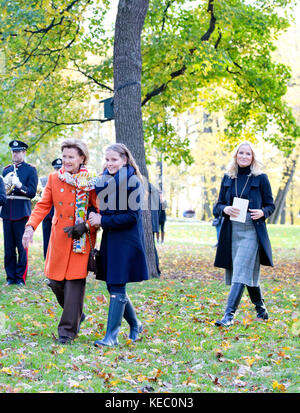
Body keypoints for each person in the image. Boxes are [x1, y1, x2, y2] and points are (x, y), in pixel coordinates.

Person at [22, 139, 98, 344]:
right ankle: (76, 315)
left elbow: (99, 210)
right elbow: (43, 205)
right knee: (55, 282)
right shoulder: (54, 178)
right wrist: (30, 227)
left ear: (82, 158)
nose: (66, 160)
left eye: (70, 157)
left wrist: (86, 226)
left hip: (80, 239)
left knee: (74, 284)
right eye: (64, 156)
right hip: (59, 238)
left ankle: (67, 332)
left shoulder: (91, 180)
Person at [87, 143, 149, 347]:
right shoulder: (104, 181)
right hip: (111, 238)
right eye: (107, 159)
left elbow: (132, 217)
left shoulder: (132, 182)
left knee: (117, 284)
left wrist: (102, 221)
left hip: (126, 239)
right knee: (112, 285)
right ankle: (136, 324)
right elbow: (94, 205)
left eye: (114, 160)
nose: (109, 163)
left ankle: (111, 337)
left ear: (124, 160)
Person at [214, 141, 275, 327]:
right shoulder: (228, 178)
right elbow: (217, 206)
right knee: (246, 271)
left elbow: (271, 205)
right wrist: (226, 209)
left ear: (253, 157)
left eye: (248, 154)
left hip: (252, 230)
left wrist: (263, 212)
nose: (244, 156)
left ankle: (228, 316)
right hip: (232, 230)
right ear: (236, 155)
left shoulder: (261, 178)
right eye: (241, 153)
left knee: (240, 270)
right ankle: (261, 310)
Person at [1, 140, 38, 286]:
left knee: (22, 247)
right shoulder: (6, 170)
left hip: (22, 212)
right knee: (8, 248)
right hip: (7, 212)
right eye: (13, 151)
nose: (15, 154)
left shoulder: (30, 170)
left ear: (24, 153)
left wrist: (20, 185)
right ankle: (10, 277)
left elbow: (32, 193)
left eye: (18, 151)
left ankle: (20, 278)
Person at [41, 158, 63, 259]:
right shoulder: (48, 180)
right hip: (48, 215)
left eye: (60, 168)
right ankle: (47, 260)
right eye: (56, 168)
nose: (58, 170)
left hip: (60, 216)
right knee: (47, 240)